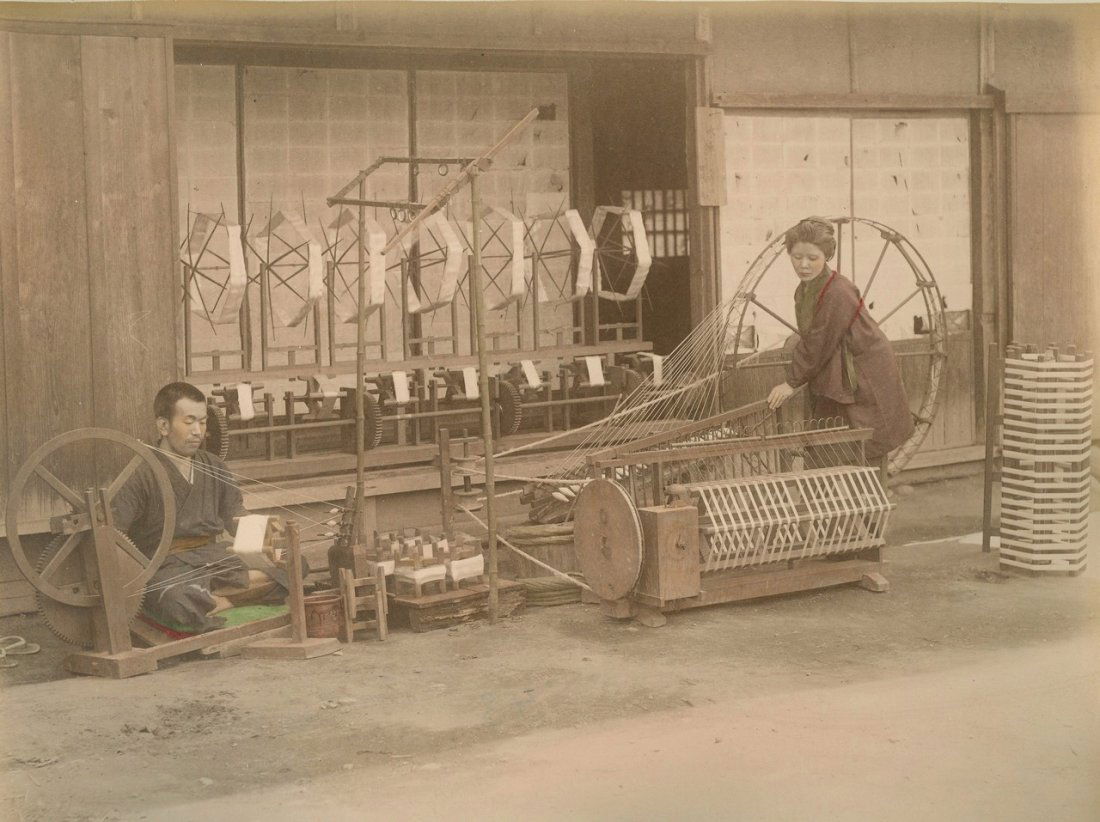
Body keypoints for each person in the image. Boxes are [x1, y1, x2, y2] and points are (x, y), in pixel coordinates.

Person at [113, 382, 283, 633]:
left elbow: (235, 515)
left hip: (212, 556)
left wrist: (264, 535)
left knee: (292, 566)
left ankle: (217, 600)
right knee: (172, 598)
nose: (198, 431)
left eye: (202, 422)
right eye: (189, 421)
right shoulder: (140, 472)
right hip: (165, 565)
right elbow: (116, 535)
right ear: (163, 425)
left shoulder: (213, 465)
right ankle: (220, 595)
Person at [766, 218, 914, 463]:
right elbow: (815, 338)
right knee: (830, 442)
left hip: (866, 370)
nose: (803, 265)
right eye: (796, 257)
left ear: (826, 256)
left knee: (867, 441)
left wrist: (790, 382)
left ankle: (869, 497)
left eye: (812, 258)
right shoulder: (803, 290)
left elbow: (819, 340)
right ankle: (829, 494)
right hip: (837, 366)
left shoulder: (838, 291)